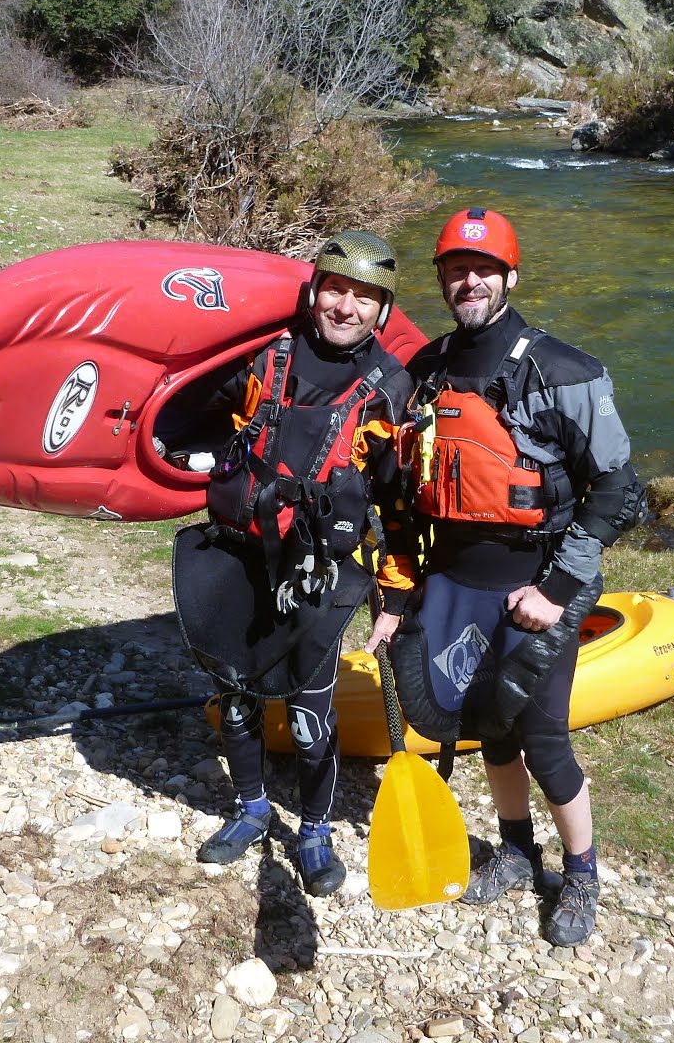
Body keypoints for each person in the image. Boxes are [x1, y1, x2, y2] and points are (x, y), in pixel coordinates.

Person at [386, 206, 645, 946]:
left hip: (537, 585)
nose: (469, 281)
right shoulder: (426, 370)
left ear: (510, 277)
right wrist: (401, 585)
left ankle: (582, 873)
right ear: (441, 279)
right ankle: (516, 851)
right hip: (455, 583)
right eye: (456, 269)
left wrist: (558, 591)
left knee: (542, 737)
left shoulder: (565, 372)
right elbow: (404, 485)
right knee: (488, 731)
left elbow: (618, 490)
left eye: (483, 269)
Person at [174, 230, 416, 896]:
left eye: (365, 298)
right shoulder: (262, 356)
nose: (347, 307)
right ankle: (250, 809)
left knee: (311, 720)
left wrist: (393, 599)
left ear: (383, 313)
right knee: (239, 698)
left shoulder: (390, 390)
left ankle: (314, 830)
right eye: (337, 289)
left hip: (317, 574)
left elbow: (397, 504)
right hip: (239, 556)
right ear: (314, 292)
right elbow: (189, 412)